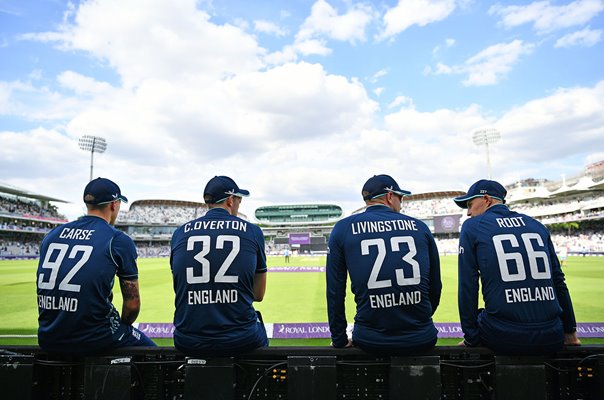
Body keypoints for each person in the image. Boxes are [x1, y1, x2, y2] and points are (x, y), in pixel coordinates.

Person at [454, 179, 581, 354]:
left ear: (486, 199)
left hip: (504, 335)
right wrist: (570, 331)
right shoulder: (537, 226)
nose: (468, 213)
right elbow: (558, 281)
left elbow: (468, 286)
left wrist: (470, 337)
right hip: (552, 334)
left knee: (483, 315)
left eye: (470, 205)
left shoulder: (472, 227)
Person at [36, 178, 156, 354]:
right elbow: (132, 305)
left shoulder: (52, 235)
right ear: (114, 205)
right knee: (154, 354)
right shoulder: (117, 240)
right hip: (95, 337)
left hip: (49, 336)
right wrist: (121, 326)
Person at [326, 174, 442, 354]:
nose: (401, 203)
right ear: (389, 196)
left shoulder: (342, 228)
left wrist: (339, 339)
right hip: (420, 337)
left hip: (369, 339)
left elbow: (335, 291)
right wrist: (420, 322)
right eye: (400, 198)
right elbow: (435, 287)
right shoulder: (420, 227)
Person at [171, 176, 268, 356]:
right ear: (230, 200)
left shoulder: (179, 233)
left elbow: (179, 286)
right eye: (239, 199)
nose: (239, 204)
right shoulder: (252, 231)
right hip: (240, 338)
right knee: (258, 327)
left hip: (188, 339)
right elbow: (258, 295)